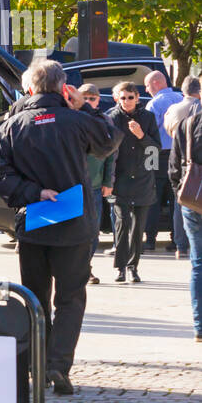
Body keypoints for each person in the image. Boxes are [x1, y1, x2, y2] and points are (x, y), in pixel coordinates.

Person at [0, 60, 118, 395]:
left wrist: (34, 193)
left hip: (34, 220)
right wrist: (82, 106)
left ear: (29, 89)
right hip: (73, 221)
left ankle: (39, 363)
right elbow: (109, 140)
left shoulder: (13, 125)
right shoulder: (75, 120)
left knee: (35, 297)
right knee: (71, 298)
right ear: (64, 88)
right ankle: (58, 365)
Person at [107, 79, 162, 282]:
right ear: (117, 98)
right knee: (122, 224)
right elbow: (106, 151)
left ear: (137, 98)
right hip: (120, 179)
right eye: (123, 98)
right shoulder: (111, 118)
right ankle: (120, 267)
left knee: (139, 227)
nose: (127, 101)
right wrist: (108, 180)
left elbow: (155, 150)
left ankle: (133, 266)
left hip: (142, 179)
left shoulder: (147, 117)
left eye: (131, 97)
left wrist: (141, 136)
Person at [168, 95, 202, 340]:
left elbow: (173, 168)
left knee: (198, 263)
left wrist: (183, 192)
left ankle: (200, 326)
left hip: (193, 199)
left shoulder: (187, 124)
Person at [79, 83, 116, 282]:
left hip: (94, 185)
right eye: (84, 97)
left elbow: (111, 153)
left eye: (92, 98)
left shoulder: (104, 120)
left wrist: (108, 180)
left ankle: (87, 268)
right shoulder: (70, 118)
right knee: (73, 230)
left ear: (98, 100)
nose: (88, 102)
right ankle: (76, 269)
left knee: (93, 231)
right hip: (72, 184)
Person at [144, 70, 184, 252]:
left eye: (147, 86)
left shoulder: (153, 104)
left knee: (152, 196)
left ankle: (150, 240)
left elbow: (145, 133)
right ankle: (176, 240)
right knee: (176, 197)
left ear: (156, 83)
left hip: (154, 153)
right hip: (179, 154)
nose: (146, 90)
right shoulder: (182, 98)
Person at [165, 75, 202, 255]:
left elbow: (173, 165)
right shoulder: (196, 112)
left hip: (188, 173)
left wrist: (178, 186)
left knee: (197, 261)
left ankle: (180, 245)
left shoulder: (175, 111)